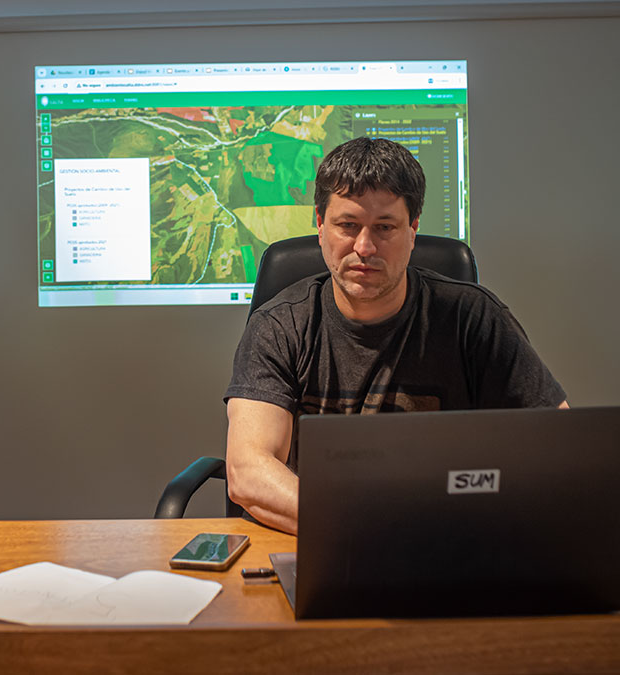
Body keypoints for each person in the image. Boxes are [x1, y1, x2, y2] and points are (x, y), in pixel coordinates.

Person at [224, 137, 566, 534]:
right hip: (319, 539)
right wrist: (366, 526)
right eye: (347, 225)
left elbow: (557, 445)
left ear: (413, 229)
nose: (364, 247)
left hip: (447, 543)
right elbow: (248, 471)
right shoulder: (280, 325)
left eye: (384, 227)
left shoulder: (472, 318)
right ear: (320, 225)